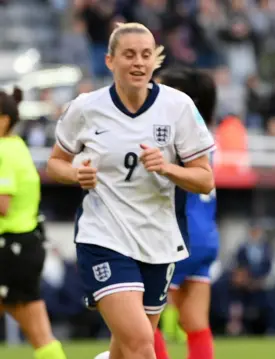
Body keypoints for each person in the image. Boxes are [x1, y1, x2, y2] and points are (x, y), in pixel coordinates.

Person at [46, 22, 215, 359]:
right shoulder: (85, 108)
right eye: (129, 55)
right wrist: (76, 172)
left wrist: (167, 167)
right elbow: (54, 164)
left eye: (145, 55)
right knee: (141, 344)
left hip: (159, 240)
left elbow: (205, 179)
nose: (138, 62)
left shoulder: (178, 107)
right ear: (110, 61)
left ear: (155, 61)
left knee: (127, 347)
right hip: (104, 237)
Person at [152, 66, 219, 359]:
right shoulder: (202, 130)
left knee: (141, 317)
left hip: (180, 235)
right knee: (195, 322)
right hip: (206, 237)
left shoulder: (178, 131)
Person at [0, 89, 68, 359]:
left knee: (39, 333)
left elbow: (2, 205)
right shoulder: (16, 145)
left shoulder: (3, 151)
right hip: (24, 245)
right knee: (41, 335)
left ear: (4, 120)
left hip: (9, 248)